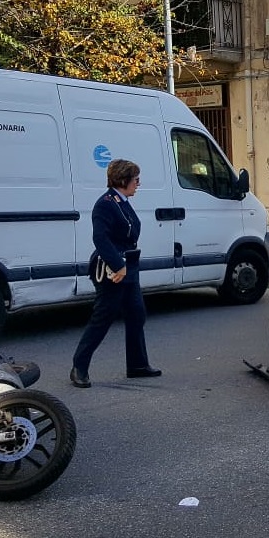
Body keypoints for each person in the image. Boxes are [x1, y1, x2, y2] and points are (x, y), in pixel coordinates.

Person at [70, 159, 163, 388]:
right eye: (135, 179)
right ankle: (78, 367)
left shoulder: (122, 201)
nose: (138, 184)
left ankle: (137, 365)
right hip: (111, 269)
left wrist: (126, 265)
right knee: (103, 318)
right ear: (123, 180)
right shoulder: (105, 203)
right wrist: (117, 264)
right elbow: (100, 238)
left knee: (137, 314)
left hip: (128, 266)